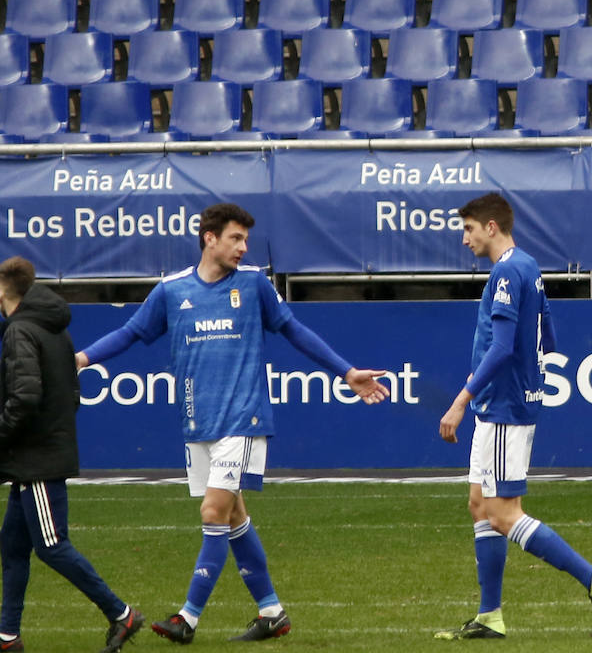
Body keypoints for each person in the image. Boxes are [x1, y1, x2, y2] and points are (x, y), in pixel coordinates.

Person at [74, 203, 392, 644]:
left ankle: (187, 618)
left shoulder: (254, 284)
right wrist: (81, 359)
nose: (243, 248)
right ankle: (272, 612)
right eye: (235, 238)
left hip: (243, 418)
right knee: (234, 514)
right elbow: (130, 333)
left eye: (246, 240)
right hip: (197, 422)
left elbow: (294, 330)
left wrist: (346, 371)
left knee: (213, 511)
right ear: (209, 238)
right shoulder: (171, 290)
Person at [434, 192, 592, 641]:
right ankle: (490, 616)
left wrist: (461, 399)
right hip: (502, 400)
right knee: (479, 504)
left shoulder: (506, 272)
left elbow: (502, 346)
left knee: (503, 513)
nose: (465, 239)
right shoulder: (529, 266)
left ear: (491, 227)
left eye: (469, 229)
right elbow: (548, 338)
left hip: (503, 407)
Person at [0, 256, 144, 653]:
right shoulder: (55, 329)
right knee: (12, 547)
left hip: (37, 460)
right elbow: (71, 393)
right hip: (38, 455)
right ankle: (7, 636)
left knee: (51, 545)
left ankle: (121, 614)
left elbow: (24, 398)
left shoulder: (20, 330)